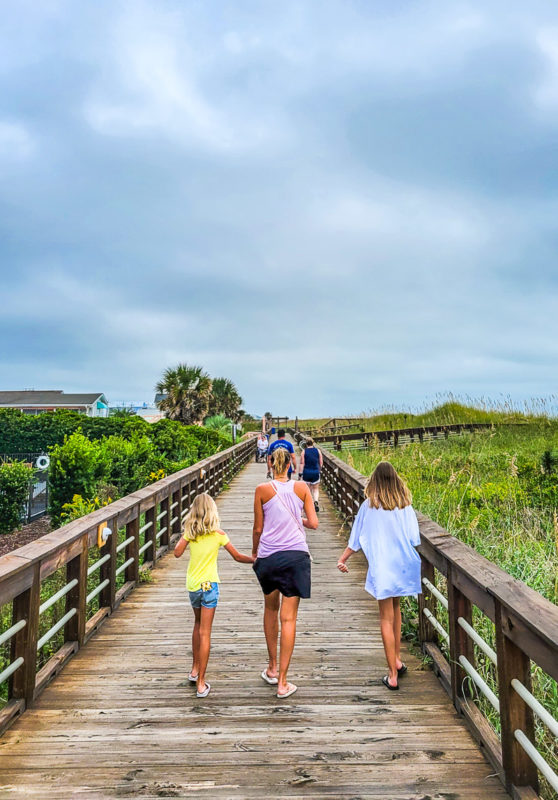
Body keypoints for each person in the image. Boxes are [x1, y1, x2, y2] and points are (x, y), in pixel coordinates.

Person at [336, 462, 421, 691]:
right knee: (396, 609)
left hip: (382, 566)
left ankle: (392, 675)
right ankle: (397, 660)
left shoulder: (369, 506)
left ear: (374, 480)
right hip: (403, 564)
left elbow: (356, 538)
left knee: (385, 617)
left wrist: (343, 559)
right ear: (396, 480)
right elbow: (415, 539)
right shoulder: (406, 506)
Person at [252, 447, 318, 698]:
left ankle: (271, 667)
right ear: (291, 464)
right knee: (288, 619)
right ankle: (282, 683)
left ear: (270, 463)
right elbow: (313, 523)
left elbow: (258, 528)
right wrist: (296, 519)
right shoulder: (302, 488)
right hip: (295, 557)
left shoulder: (262, 490)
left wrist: (255, 554)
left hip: (269, 556)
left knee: (270, 609)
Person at [174, 493, 254, 698]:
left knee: (197, 624)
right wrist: (255, 559)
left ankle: (194, 669)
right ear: (212, 512)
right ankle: (201, 683)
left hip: (193, 586)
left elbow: (176, 553)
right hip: (210, 587)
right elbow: (237, 556)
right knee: (205, 632)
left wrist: (187, 534)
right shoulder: (219, 534)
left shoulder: (190, 533)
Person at [298, 437, 323, 512]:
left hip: (306, 473)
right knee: (315, 489)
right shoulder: (318, 451)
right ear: (313, 443)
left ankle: (309, 505)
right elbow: (321, 462)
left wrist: (300, 474)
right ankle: (316, 501)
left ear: (306, 444)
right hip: (315, 472)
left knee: (308, 490)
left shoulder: (304, 452)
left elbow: (302, 463)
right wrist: (319, 470)